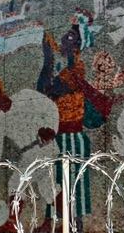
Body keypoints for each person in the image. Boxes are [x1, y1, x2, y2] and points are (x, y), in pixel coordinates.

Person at [36, 18, 115, 218]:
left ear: (77, 44)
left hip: (73, 136)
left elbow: (52, 89)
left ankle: (74, 225)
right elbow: (43, 91)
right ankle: (54, 222)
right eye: (65, 35)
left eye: (70, 36)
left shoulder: (77, 67)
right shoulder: (62, 68)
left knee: (73, 183)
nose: (64, 38)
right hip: (58, 136)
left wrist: (49, 58)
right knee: (55, 180)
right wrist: (47, 58)